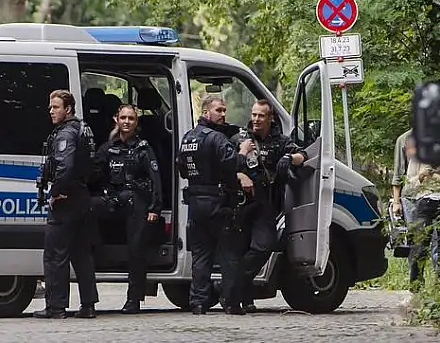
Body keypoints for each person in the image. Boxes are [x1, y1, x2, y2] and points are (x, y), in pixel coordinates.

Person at [224, 99, 307, 313]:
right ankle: (242, 297)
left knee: (263, 246)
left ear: (270, 118)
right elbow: (225, 166)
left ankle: (236, 289)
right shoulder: (240, 139)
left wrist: (289, 157)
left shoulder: (280, 141)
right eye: (254, 115)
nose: (256, 119)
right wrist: (241, 163)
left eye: (261, 116)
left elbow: (303, 155)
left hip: (266, 204)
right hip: (240, 205)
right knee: (239, 250)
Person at [176, 94, 252, 315]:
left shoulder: (188, 138)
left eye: (224, 111)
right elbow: (232, 165)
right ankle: (231, 302)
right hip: (218, 202)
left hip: (196, 204)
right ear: (206, 112)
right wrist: (243, 151)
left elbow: (181, 169)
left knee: (201, 255)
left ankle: (198, 302)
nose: (223, 115)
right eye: (219, 110)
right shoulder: (217, 139)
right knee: (229, 253)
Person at [34, 89, 100, 319]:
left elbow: (65, 166)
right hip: (81, 197)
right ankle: (88, 305)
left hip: (66, 200)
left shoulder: (66, 133)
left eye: (56, 107)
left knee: (54, 256)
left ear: (68, 109)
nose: (51, 111)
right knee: (82, 255)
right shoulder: (83, 129)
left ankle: (56, 307)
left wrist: (55, 192)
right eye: (51, 107)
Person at [93, 104, 163, 314]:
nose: (126, 122)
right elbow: (95, 172)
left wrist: (155, 208)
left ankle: (133, 300)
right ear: (116, 119)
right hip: (113, 199)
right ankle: (98, 257)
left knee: (136, 250)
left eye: (131, 119)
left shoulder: (143, 148)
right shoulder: (108, 148)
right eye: (123, 117)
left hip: (136, 202)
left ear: (136, 123)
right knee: (86, 210)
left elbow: (156, 180)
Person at [404, 136, 440, 291]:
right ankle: (416, 286)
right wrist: (422, 176)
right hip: (424, 200)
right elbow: (409, 184)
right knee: (419, 244)